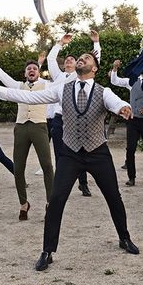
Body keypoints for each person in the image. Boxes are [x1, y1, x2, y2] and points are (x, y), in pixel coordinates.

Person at [0, 52, 139, 271]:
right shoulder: (62, 89)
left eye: (86, 58)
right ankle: (47, 251)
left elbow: (116, 102)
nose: (81, 59)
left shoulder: (104, 91)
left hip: (97, 152)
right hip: (70, 153)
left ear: (95, 69)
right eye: (79, 58)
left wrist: (123, 108)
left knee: (113, 196)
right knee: (56, 200)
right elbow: (29, 97)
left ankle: (124, 237)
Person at [0, 46, 53, 220]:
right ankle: (24, 204)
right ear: (25, 73)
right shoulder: (18, 86)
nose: (31, 70)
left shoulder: (47, 85)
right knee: (18, 167)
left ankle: (50, 203)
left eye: (35, 68)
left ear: (39, 72)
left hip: (40, 126)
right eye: (28, 69)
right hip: (21, 127)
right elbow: (0, 75)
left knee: (47, 165)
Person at [47, 30, 101, 197]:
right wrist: (60, 43)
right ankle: (60, 186)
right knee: (60, 154)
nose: (70, 60)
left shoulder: (80, 76)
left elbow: (95, 63)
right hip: (58, 120)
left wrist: (96, 42)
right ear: (64, 65)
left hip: (75, 121)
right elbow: (50, 59)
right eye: (67, 59)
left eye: (73, 59)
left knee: (80, 151)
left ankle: (83, 184)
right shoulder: (58, 77)